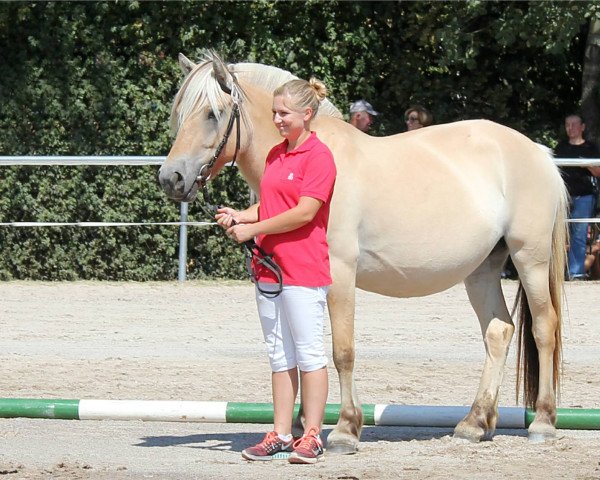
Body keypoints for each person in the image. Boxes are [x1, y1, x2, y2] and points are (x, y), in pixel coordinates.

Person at [215, 77, 336, 464]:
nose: (278, 120)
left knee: (310, 354)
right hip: (269, 270)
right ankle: (282, 433)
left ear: (307, 113)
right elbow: (269, 207)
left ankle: (313, 434)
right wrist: (240, 215)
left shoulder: (319, 157)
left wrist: (254, 229)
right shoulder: (274, 156)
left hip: (302, 269)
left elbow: (305, 212)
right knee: (279, 355)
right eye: (274, 113)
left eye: (284, 113)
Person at [554, 113, 600, 280]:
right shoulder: (560, 148)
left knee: (579, 236)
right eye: (567, 125)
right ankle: (558, 273)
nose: (570, 128)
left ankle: (576, 273)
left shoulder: (591, 148)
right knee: (558, 235)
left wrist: (587, 165)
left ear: (582, 127)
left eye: (574, 124)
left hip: (584, 197)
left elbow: (598, 172)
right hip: (562, 198)